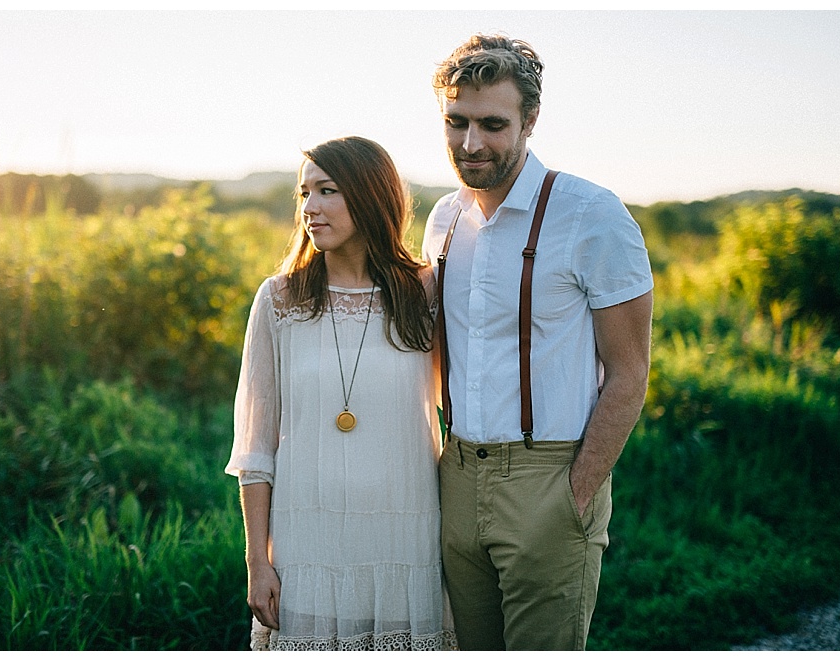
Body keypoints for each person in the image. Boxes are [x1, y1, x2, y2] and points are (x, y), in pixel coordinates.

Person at [421, 34, 654, 651]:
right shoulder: (443, 219)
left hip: (548, 475)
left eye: (492, 124)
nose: (471, 144)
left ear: (530, 120)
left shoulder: (592, 214)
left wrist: (576, 492)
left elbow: (629, 373)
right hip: (457, 473)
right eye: (456, 122)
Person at [225, 136, 455, 651]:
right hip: (308, 537)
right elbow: (256, 449)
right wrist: (257, 563)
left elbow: (463, 402)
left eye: (327, 191)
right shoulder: (279, 299)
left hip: (407, 534)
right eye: (304, 193)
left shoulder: (426, 292)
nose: (310, 208)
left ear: (371, 196)